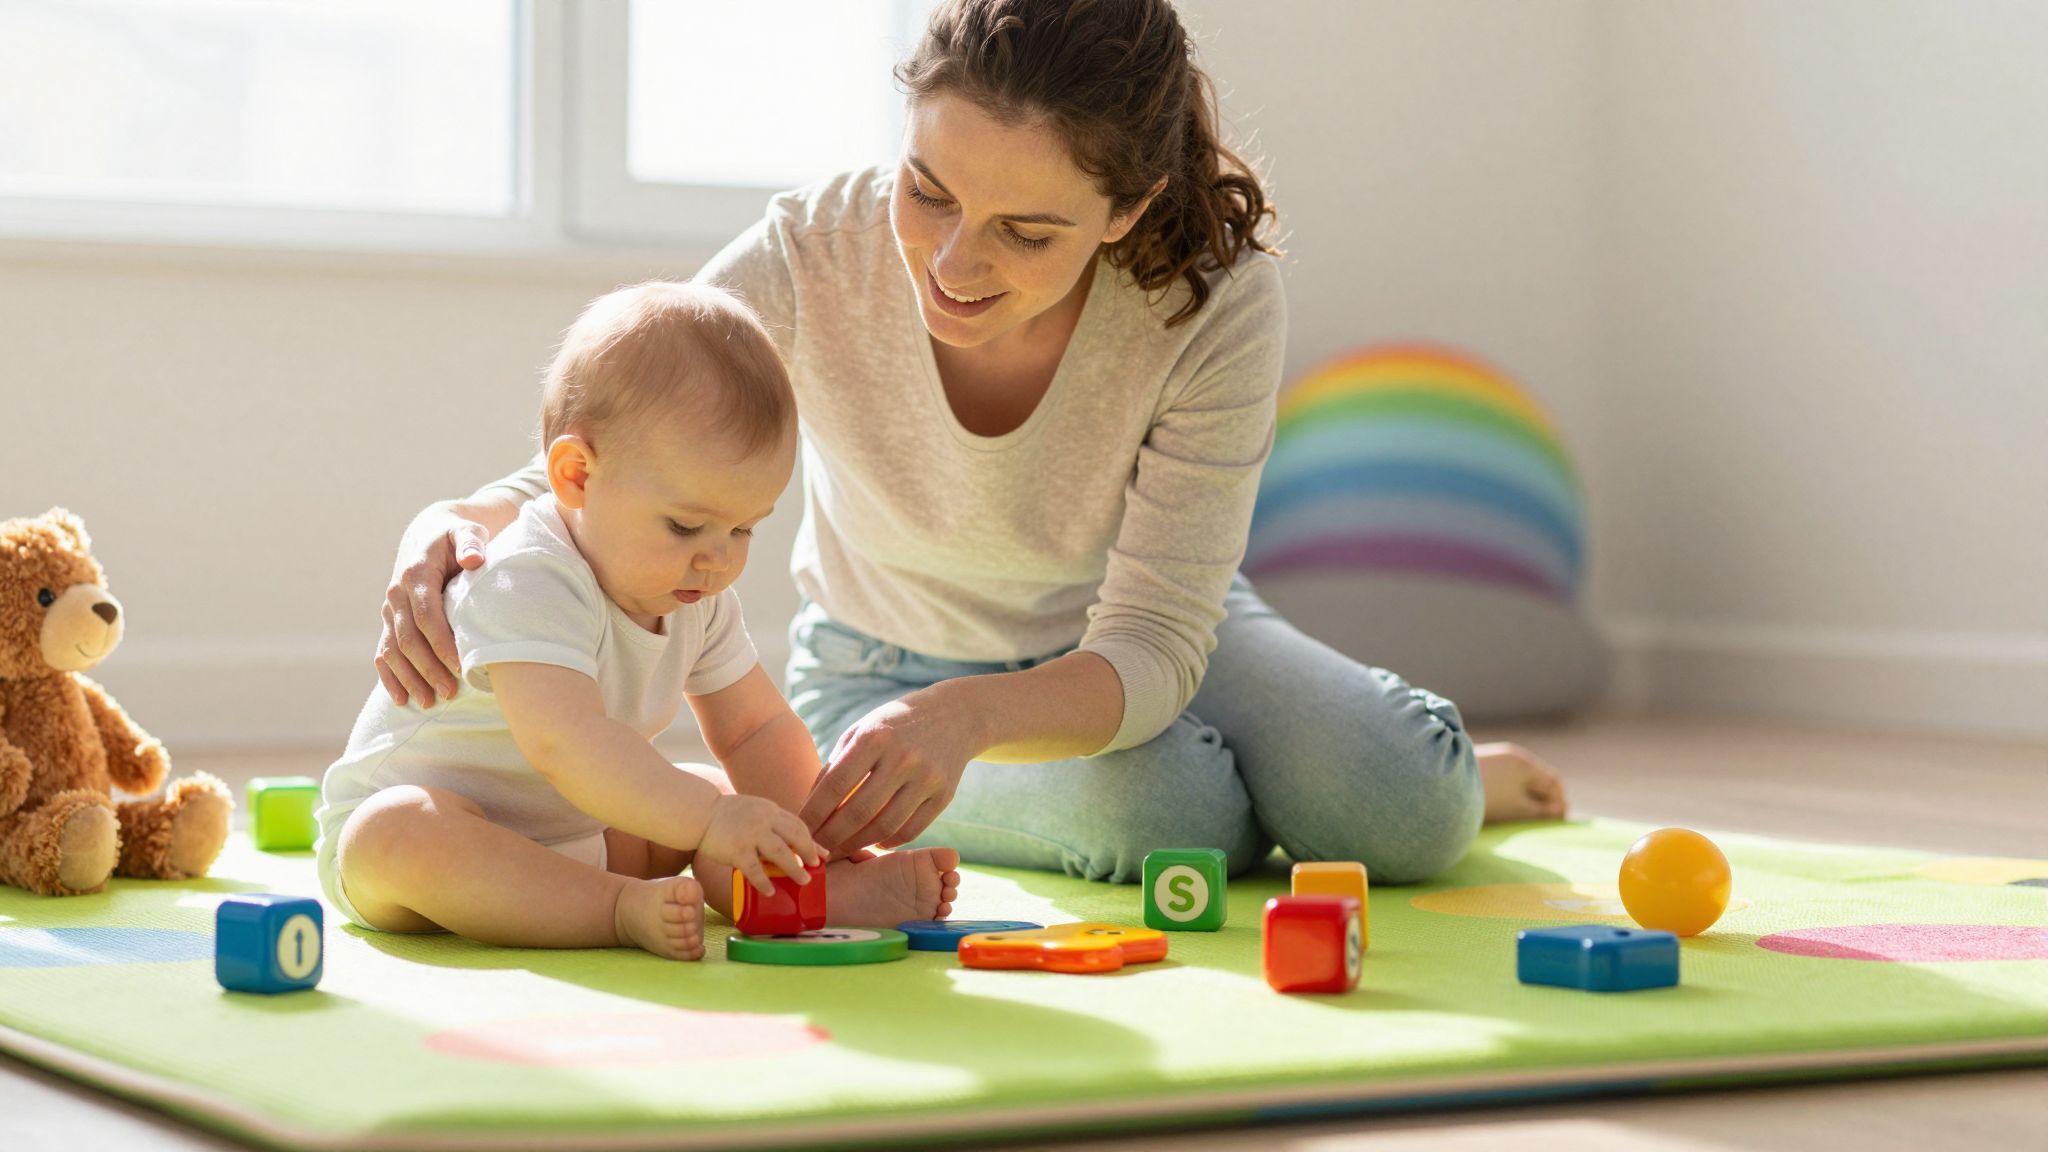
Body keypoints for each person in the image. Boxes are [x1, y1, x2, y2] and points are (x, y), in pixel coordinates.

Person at [374, 0, 1565, 890]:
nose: (950, 265)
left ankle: (1391, 766)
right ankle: (1275, 787)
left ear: (1128, 211)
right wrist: (447, 526)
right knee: (1173, 817)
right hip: (880, 674)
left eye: (1026, 231)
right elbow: (613, 441)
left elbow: (1155, 636)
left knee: (1401, 812)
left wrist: (976, 722)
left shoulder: (1213, 298)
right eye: (928, 191)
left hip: (1133, 643)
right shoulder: (814, 247)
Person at [318, 282, 960, 960]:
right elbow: (567, 743)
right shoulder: (526, 575)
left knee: (717, 796)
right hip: (421, 852)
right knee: (403, 832)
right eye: (686, 526)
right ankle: (616, 912)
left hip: (579, 833)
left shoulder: (695, 595)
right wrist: (713, 819)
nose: (716, 561)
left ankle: (823, 891)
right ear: (575, 477)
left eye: (744, 529)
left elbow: (754, 728)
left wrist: (811, 834)